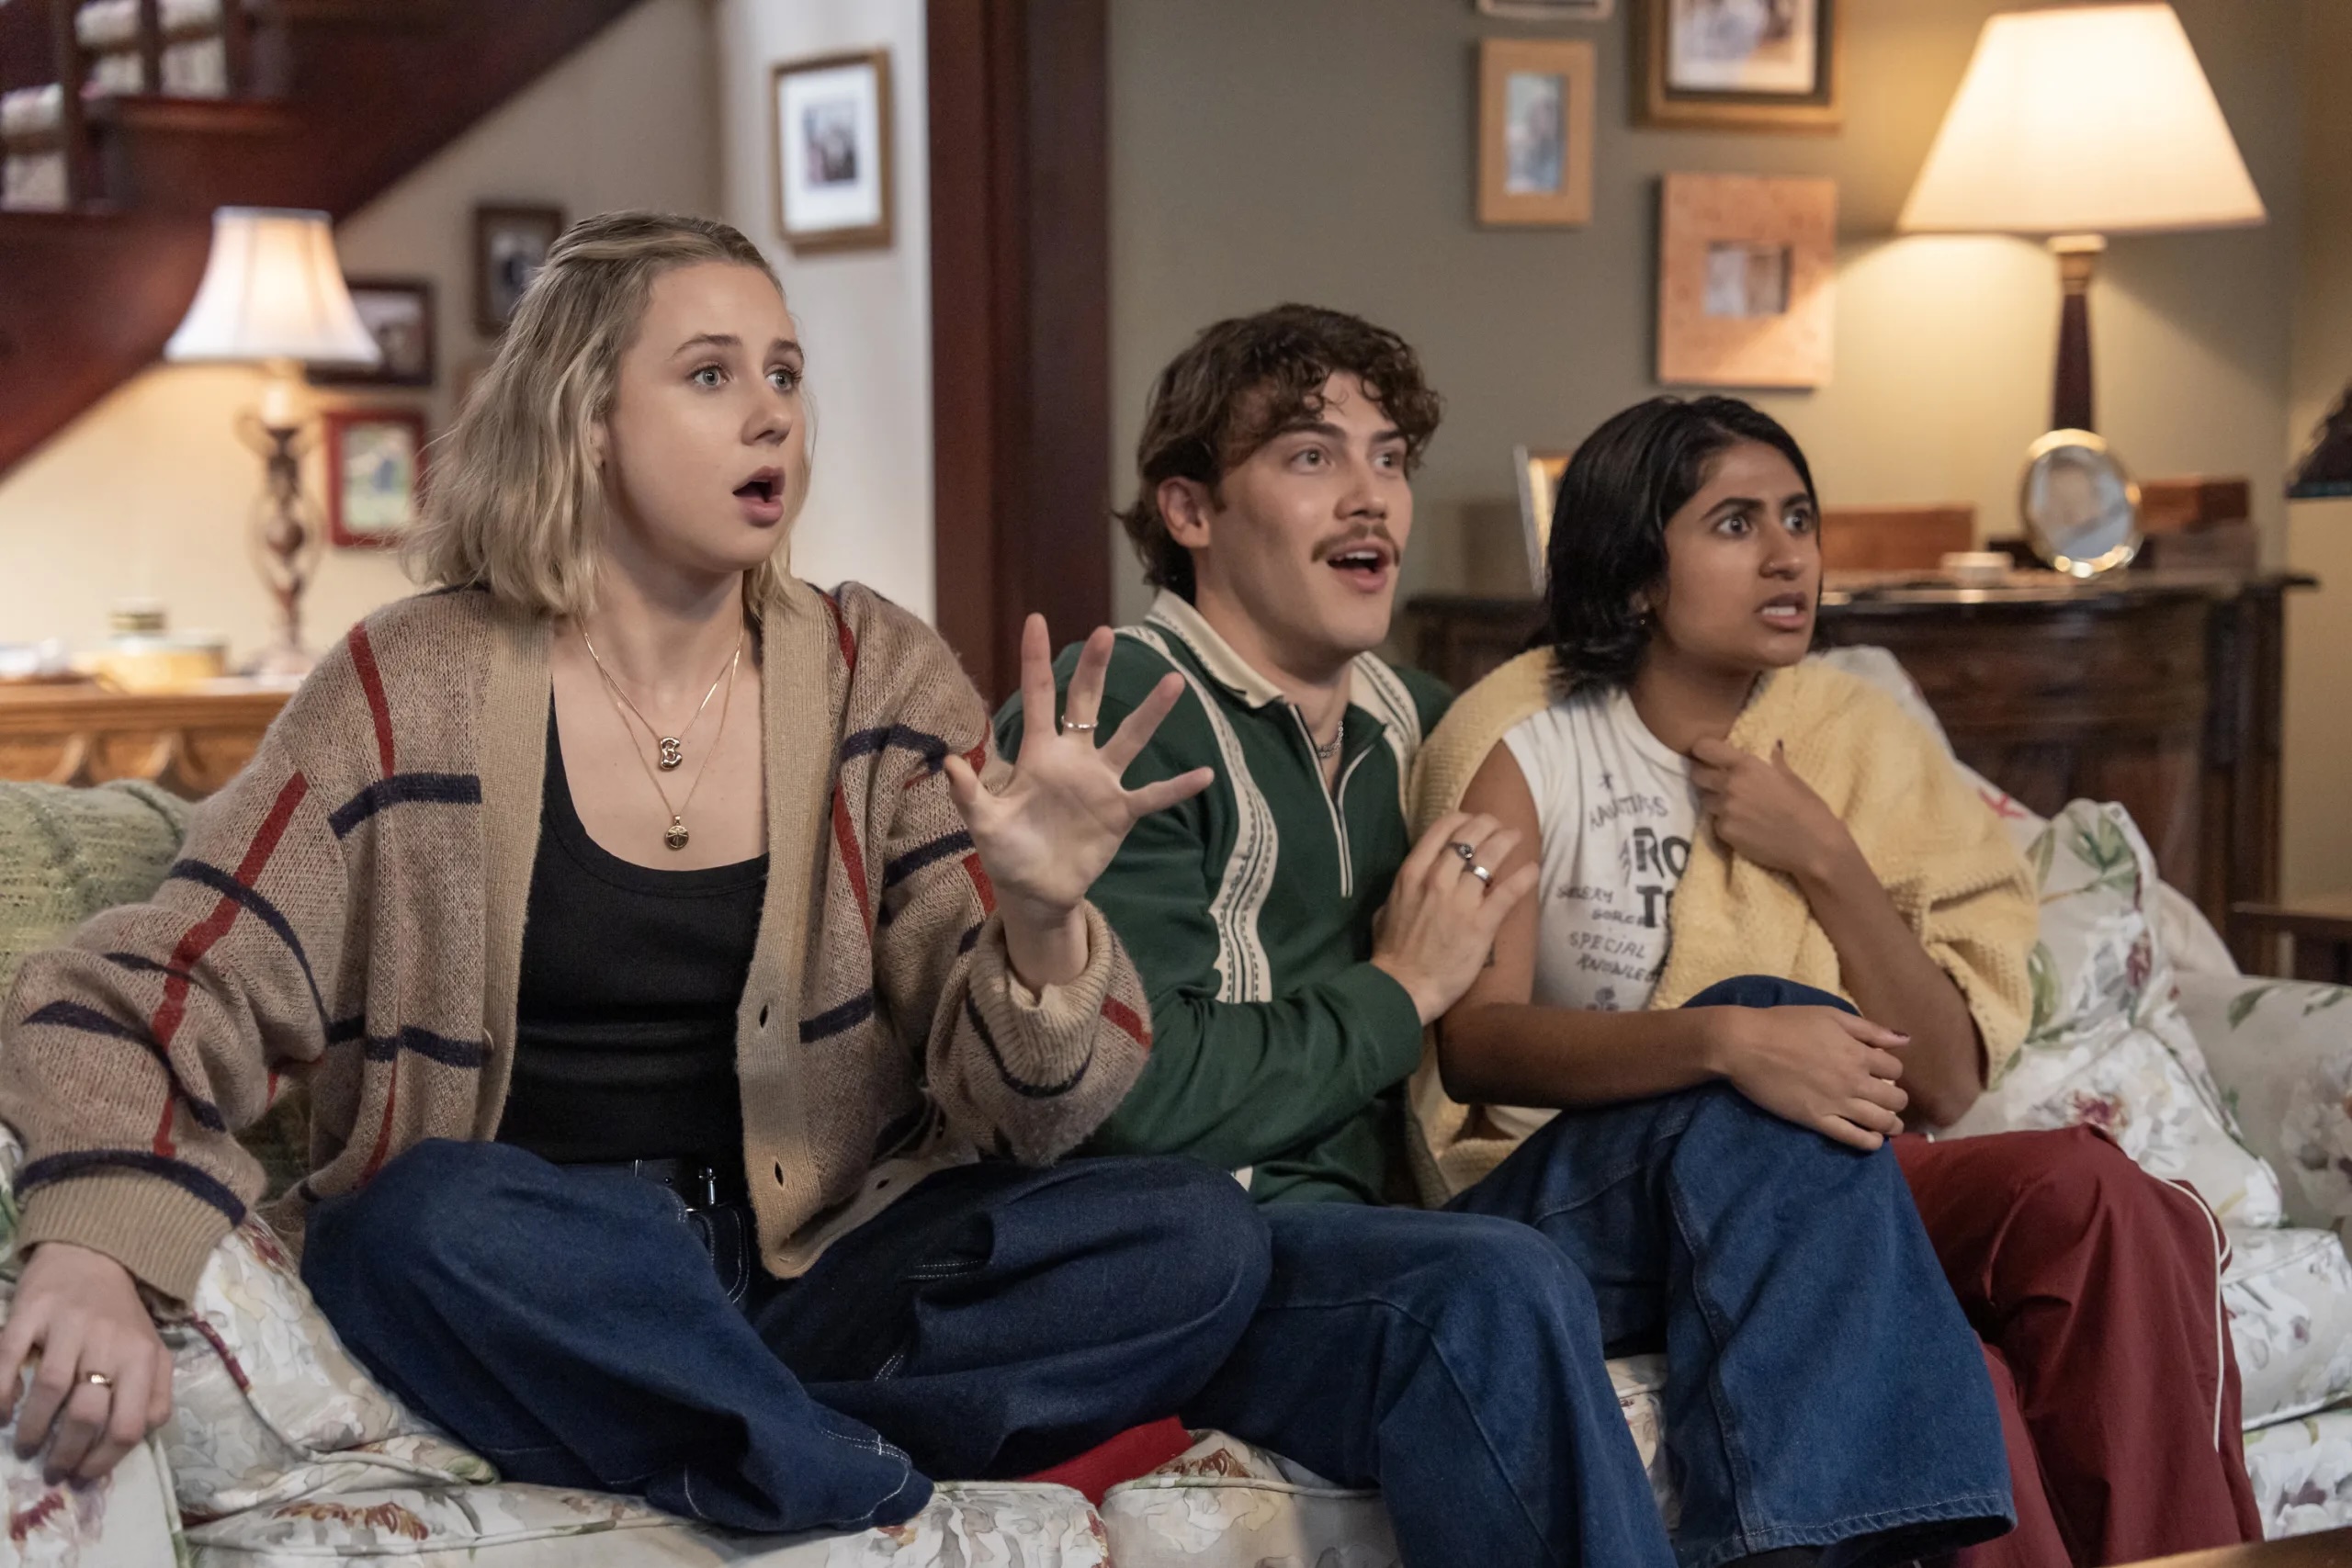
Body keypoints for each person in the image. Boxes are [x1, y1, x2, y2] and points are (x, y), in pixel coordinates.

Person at [0, 212, 1272, 1535]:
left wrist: (1045, 923)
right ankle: (855, 1479)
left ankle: (737, 1436)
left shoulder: (874, 672)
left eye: (784, 374)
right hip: (548, 1265)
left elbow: (1027, 1116)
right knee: (410, 1224)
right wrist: (90, 1248)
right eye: (712, 374)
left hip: (818, 1268)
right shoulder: (411, 683)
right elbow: (149, 988)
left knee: (1194, 1236)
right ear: (586, 418)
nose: (772, 415)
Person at [1001, 304, 2014, 1568]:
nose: (1370, 496)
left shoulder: (1434, 727)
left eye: (1390, 457)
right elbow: (1135, 1102)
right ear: (1192, 511)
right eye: (1314, 456)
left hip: (1426, 1220)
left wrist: (1750, 1020)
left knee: (1778, 1068)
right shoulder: (1115, 739)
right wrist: (1397, 989)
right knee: (1488, 1283)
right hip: (1224, 1262)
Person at [1416, 393, 2264, 1567]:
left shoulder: (1850, 744)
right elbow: (1476, 1043)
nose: (1787, 556)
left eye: (1798, 517)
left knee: (2102, 1199)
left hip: (1826, 1171)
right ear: (1635, 575)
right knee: (1796, 1064)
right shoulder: (1529, 748)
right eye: (1731, 524)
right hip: (1587, 1193)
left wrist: (1822, 857)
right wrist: (1724, 1045)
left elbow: (1949, 1081)